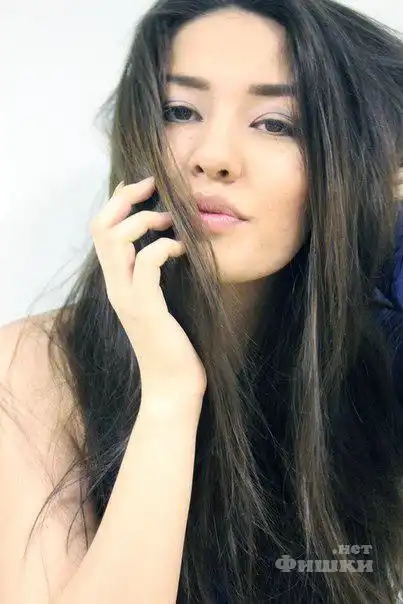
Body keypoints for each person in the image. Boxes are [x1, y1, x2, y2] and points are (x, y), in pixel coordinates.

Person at [1, 0, 403, 602]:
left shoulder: (372, 359)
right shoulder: (35, 366)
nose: (211, 157)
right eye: (180, 111)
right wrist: (169, 394)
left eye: (276, 123)